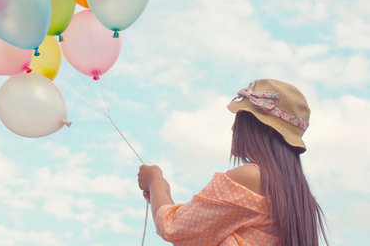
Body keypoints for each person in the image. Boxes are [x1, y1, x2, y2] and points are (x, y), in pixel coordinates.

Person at [138, 79, 329, 246]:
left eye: (241, 120)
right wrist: (162, 193)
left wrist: (155, 179)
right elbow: (189, 236)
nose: (233, 128)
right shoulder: (300, 198)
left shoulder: (250, 177)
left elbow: (173, 228)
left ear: (269, 131)